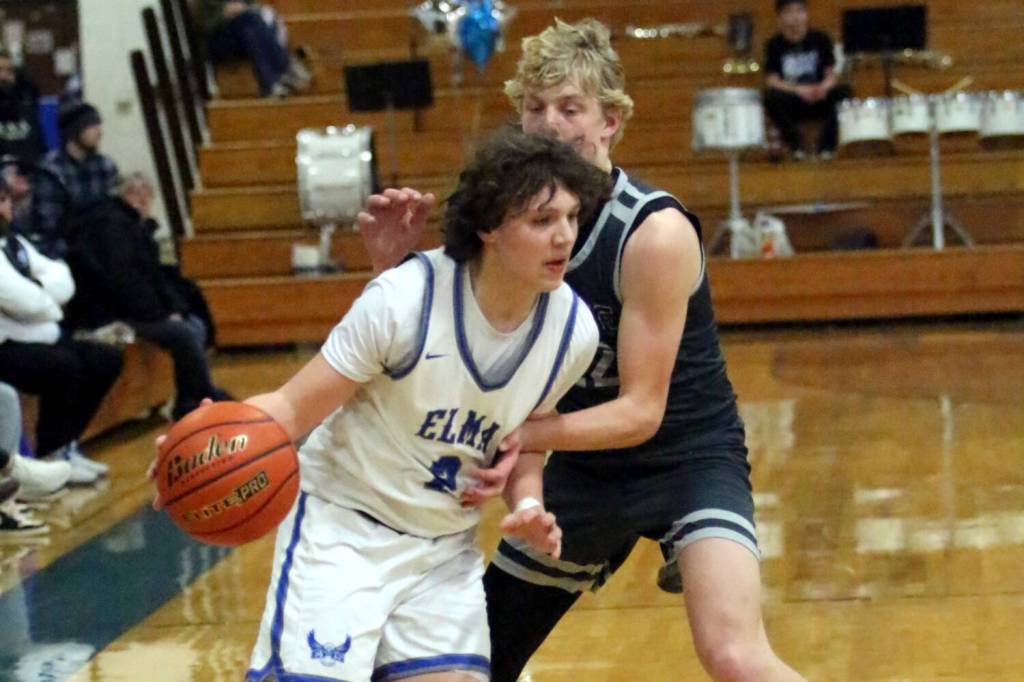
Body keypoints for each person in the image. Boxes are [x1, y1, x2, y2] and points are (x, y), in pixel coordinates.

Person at [358, 18, 807, 682]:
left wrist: (515, 430)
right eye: (535, 108)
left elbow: (641, 412)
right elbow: (422, 341)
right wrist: (390, 265)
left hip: (684, 456)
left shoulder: (652, 234)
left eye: (570, 108)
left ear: (611, 123)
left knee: (735, 654)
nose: (549, 124)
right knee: (465, 663)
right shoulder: (505, 227)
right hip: (582, 472)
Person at [175, 129, 607, 681]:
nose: (563, 237)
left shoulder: (573, 333)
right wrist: (206, 441)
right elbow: (290, 407)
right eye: (542, 220)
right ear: (489, 228)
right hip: (344, 531)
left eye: (571, 218)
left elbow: (520, 440)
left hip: (442, 550)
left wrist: (526, 504)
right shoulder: (403, 300)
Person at [65, 172, 228, 420]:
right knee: (183, 332)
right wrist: (161, 314)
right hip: (110, 314)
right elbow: (123, 283)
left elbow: (151, 278)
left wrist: (171, 309)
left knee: (192, 324)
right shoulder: (112, 227)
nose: (145, 203)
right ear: (131, 195)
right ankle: (200, 396)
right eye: (141, 196)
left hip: (133, 308)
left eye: (147, 197)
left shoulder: (129, 225)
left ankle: (190, 398)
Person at [0, 175, 121, 485]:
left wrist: (43, 295)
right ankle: (50, 453)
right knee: (63, 368)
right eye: (1, 202)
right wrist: (48, 301)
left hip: (42, 337)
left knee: (104, 358)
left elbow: (63, 278)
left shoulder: (16, 244)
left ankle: (67, 446)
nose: (6, 209)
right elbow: (22, 300)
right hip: (8, 348)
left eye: (6, 201)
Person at [20, 101, 118, 259]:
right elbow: (50, 225)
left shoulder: (105, 166)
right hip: (65, 248)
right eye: (92, 125)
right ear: (75, 130)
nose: (99, 131)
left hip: (101, 245)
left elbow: (113, 214)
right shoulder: (50, 170)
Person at [763, 0, 852, 160]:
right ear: (780, 17)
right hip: (792, 99)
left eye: (799, 11)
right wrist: (799, 90)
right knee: (771, 97)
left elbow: (831, 74)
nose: (795, 17)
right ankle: (796, 147)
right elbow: (772, 80)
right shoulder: (774, 44)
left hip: (819, 96)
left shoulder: (821, 39)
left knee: (844, 92)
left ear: (806, 14)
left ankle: (826, 147)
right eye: (789, 12)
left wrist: (822, 88)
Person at [191, 0, 311, 98]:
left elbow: (251, 8)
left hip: (245, 37)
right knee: (250, 20)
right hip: (214, 42)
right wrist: (224, 13)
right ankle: (285, 68)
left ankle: (271, 83)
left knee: (253, 22)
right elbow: (198, 23)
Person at [0, 50, 45, 167]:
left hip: (29, 175)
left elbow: (38, 150)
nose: (3, 76)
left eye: (9, 71)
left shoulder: (26, 106)